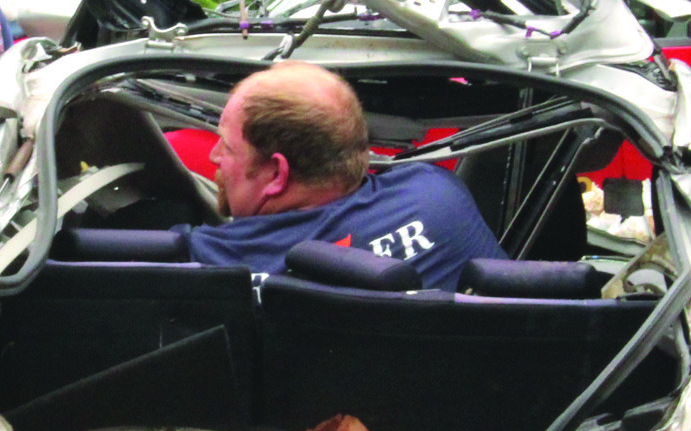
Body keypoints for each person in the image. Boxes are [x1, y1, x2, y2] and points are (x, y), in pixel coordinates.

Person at [182, 63, 502, 290]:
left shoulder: (218, 262)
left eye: (227, 146)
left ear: (277, 173)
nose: (214, 156)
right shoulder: (437, 192)